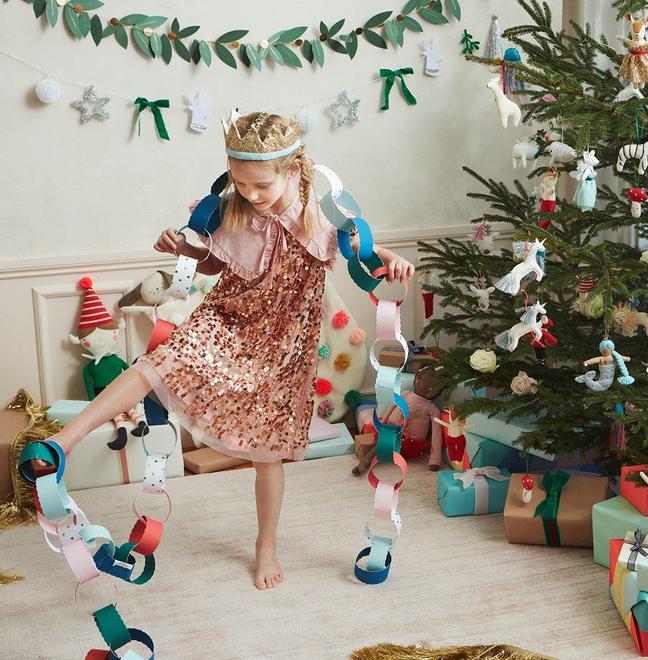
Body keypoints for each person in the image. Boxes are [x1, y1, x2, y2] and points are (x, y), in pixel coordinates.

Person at [37, 111, 415, 590]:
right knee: (156, 365)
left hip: (283, 341)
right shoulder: (233, 206)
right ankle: (65, 440)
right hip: (228, 316)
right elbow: (217, 260)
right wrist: (185, 249)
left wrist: (392, 258)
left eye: (261, 185)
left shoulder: (318, 213)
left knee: (267, 452)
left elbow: (361, 251)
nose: (251, 195)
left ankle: (266, 546)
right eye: (241, 183)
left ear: (293, 169)